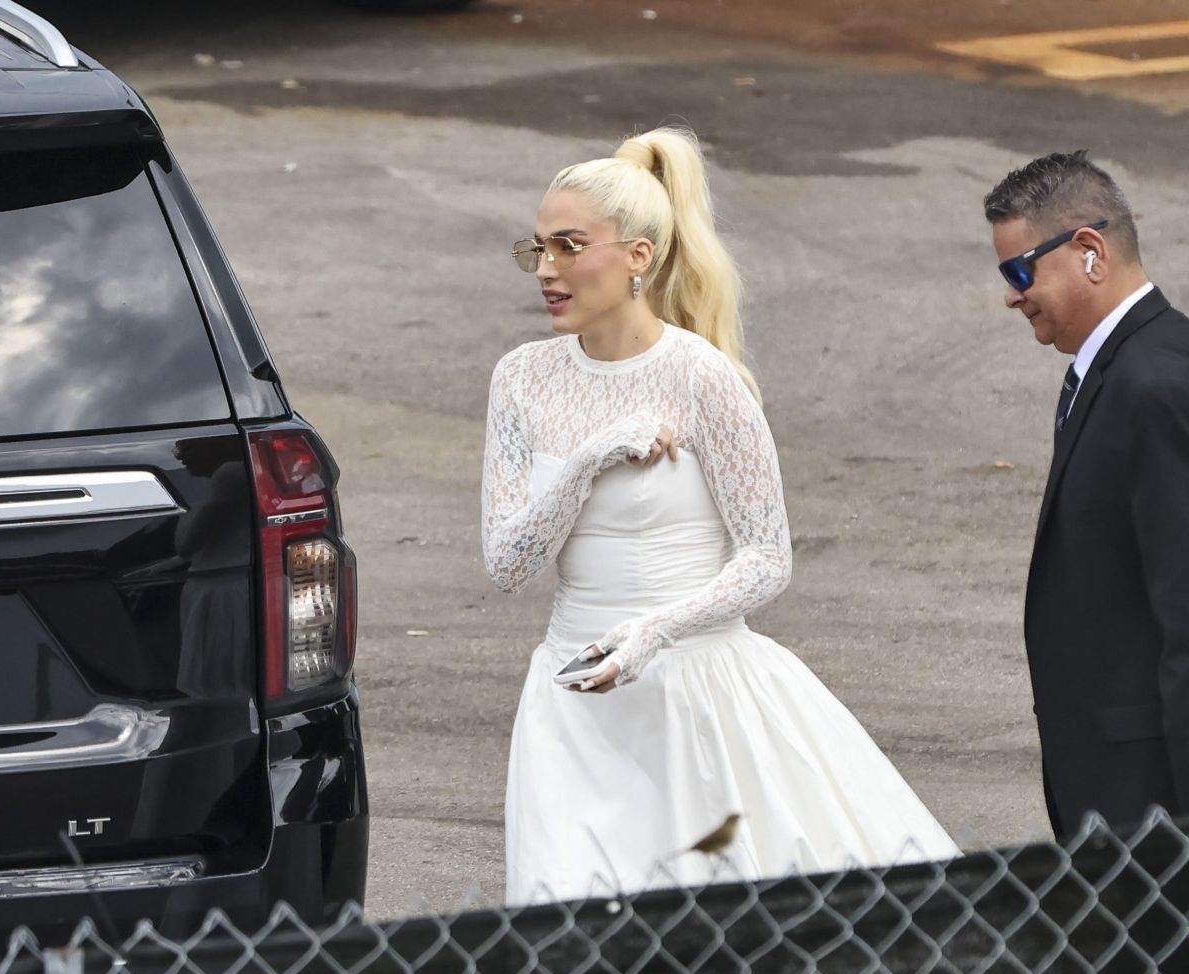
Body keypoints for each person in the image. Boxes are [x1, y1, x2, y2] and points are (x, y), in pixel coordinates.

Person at [482, 126, 956, 904]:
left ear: (638, 256)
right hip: (572, 707)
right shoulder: (521, 380)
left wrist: (656, 629)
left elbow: (768, 555)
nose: (546, 270)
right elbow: (506, 563)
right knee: (568, 928)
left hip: (696, 693)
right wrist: (586, 458)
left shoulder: (703, 378)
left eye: (569, 246)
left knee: (722, 928)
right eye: (535, 249)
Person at [985, 150, 1189, 836]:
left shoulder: (1152, 385)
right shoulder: (1123, 367)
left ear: (1089, 251)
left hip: (1155, 804)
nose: (1012, 294)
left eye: (1020, 271)